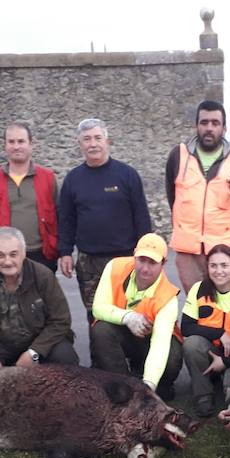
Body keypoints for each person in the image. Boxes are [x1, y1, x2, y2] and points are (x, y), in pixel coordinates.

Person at [59, 118, 152, 352]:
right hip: (89, 262)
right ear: (79, 144)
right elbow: (66, 219)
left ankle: (137, 359)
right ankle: (102, 364)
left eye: (97, 138)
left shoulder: (127, 175)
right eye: (87, 139)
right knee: (96, 315)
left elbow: (141, 217)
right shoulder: (73, 179)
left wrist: (147, 253)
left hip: (126, 260)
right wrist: (65, 252)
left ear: (107, 141)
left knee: (133, 310)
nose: (93, 144)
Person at [0, 227, 79, 375]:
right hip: (0, 342)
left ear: (23, 253)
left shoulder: (43, 276)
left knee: (65, 357)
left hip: (38, 339)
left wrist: (34, 352)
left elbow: (60, 320)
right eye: (0, 255)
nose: (7, 261)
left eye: (13, 254)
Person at [166, 100, 230, 292]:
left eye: (215, 123)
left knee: (227, 305)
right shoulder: (178, 156)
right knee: (196, 305)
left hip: (224, 250)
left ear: (224, 128)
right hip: (188, 250)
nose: (209, 128)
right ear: (196, 126)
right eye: (204, 123)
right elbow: (173, 198)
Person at [90, 233, 182, 400]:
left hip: (151, 342)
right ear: (134, 255)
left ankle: (154, 385)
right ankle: (122, 386)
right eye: (141, 260)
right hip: (124, 332)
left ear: (163, 264)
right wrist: (128, 317)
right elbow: (98, 308)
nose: (145, 268)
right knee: (101, 330)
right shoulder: (114, 267)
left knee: (171, 360)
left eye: (153, 262)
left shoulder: (168, 297)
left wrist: (149, 387)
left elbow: (159, 346)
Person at [181, 244, 230, 417]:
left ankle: (226, 381)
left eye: (224, 265)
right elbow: (186, 327)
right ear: (207, 267)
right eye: (213, 266)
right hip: (211, 349)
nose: (219, 271)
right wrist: (219, 334)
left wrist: (224, 361)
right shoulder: (198, 290)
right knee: (191, 344)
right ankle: (203, 395)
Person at [0, 122, 59, 272]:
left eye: (21, 141)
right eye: (11, 142)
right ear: (5, 145)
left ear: (31, 144)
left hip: (41, 255)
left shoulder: (47, 177)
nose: (16, 146)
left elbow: (58, 213)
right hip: (4, 256)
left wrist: (61, 250)